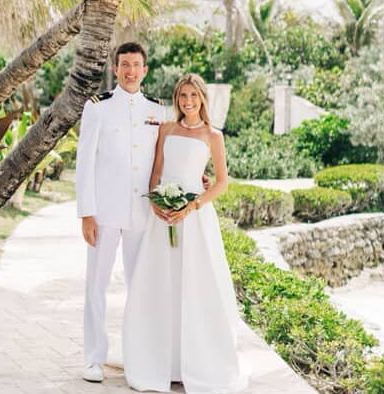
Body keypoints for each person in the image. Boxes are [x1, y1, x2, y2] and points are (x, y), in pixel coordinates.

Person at [123, 73, 249, 393]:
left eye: (194, 96)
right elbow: (156, 172)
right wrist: (156, 203)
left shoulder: (213, 136)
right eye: (183, 96)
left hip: (195, 219)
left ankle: (195, 361)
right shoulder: (166, 129)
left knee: (195, 285)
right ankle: (162, 362)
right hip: (162, 216)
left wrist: (192, 206)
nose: (188, 102)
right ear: (177, 99)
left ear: (202, 99)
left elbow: (222, 182)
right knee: (161, 283)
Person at [75, 42, 166, 383]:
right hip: (105, 212)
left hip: (143, 214)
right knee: (96, 285)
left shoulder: (158, 111)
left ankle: (138, 355)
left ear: (145, 70)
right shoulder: (98, 108)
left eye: (136, 65)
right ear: (115, 69)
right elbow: (84, 163)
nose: (130, 71)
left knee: (139, 286)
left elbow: (164, 157)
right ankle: (93, 358)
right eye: (124, 64)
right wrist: (87, 213)